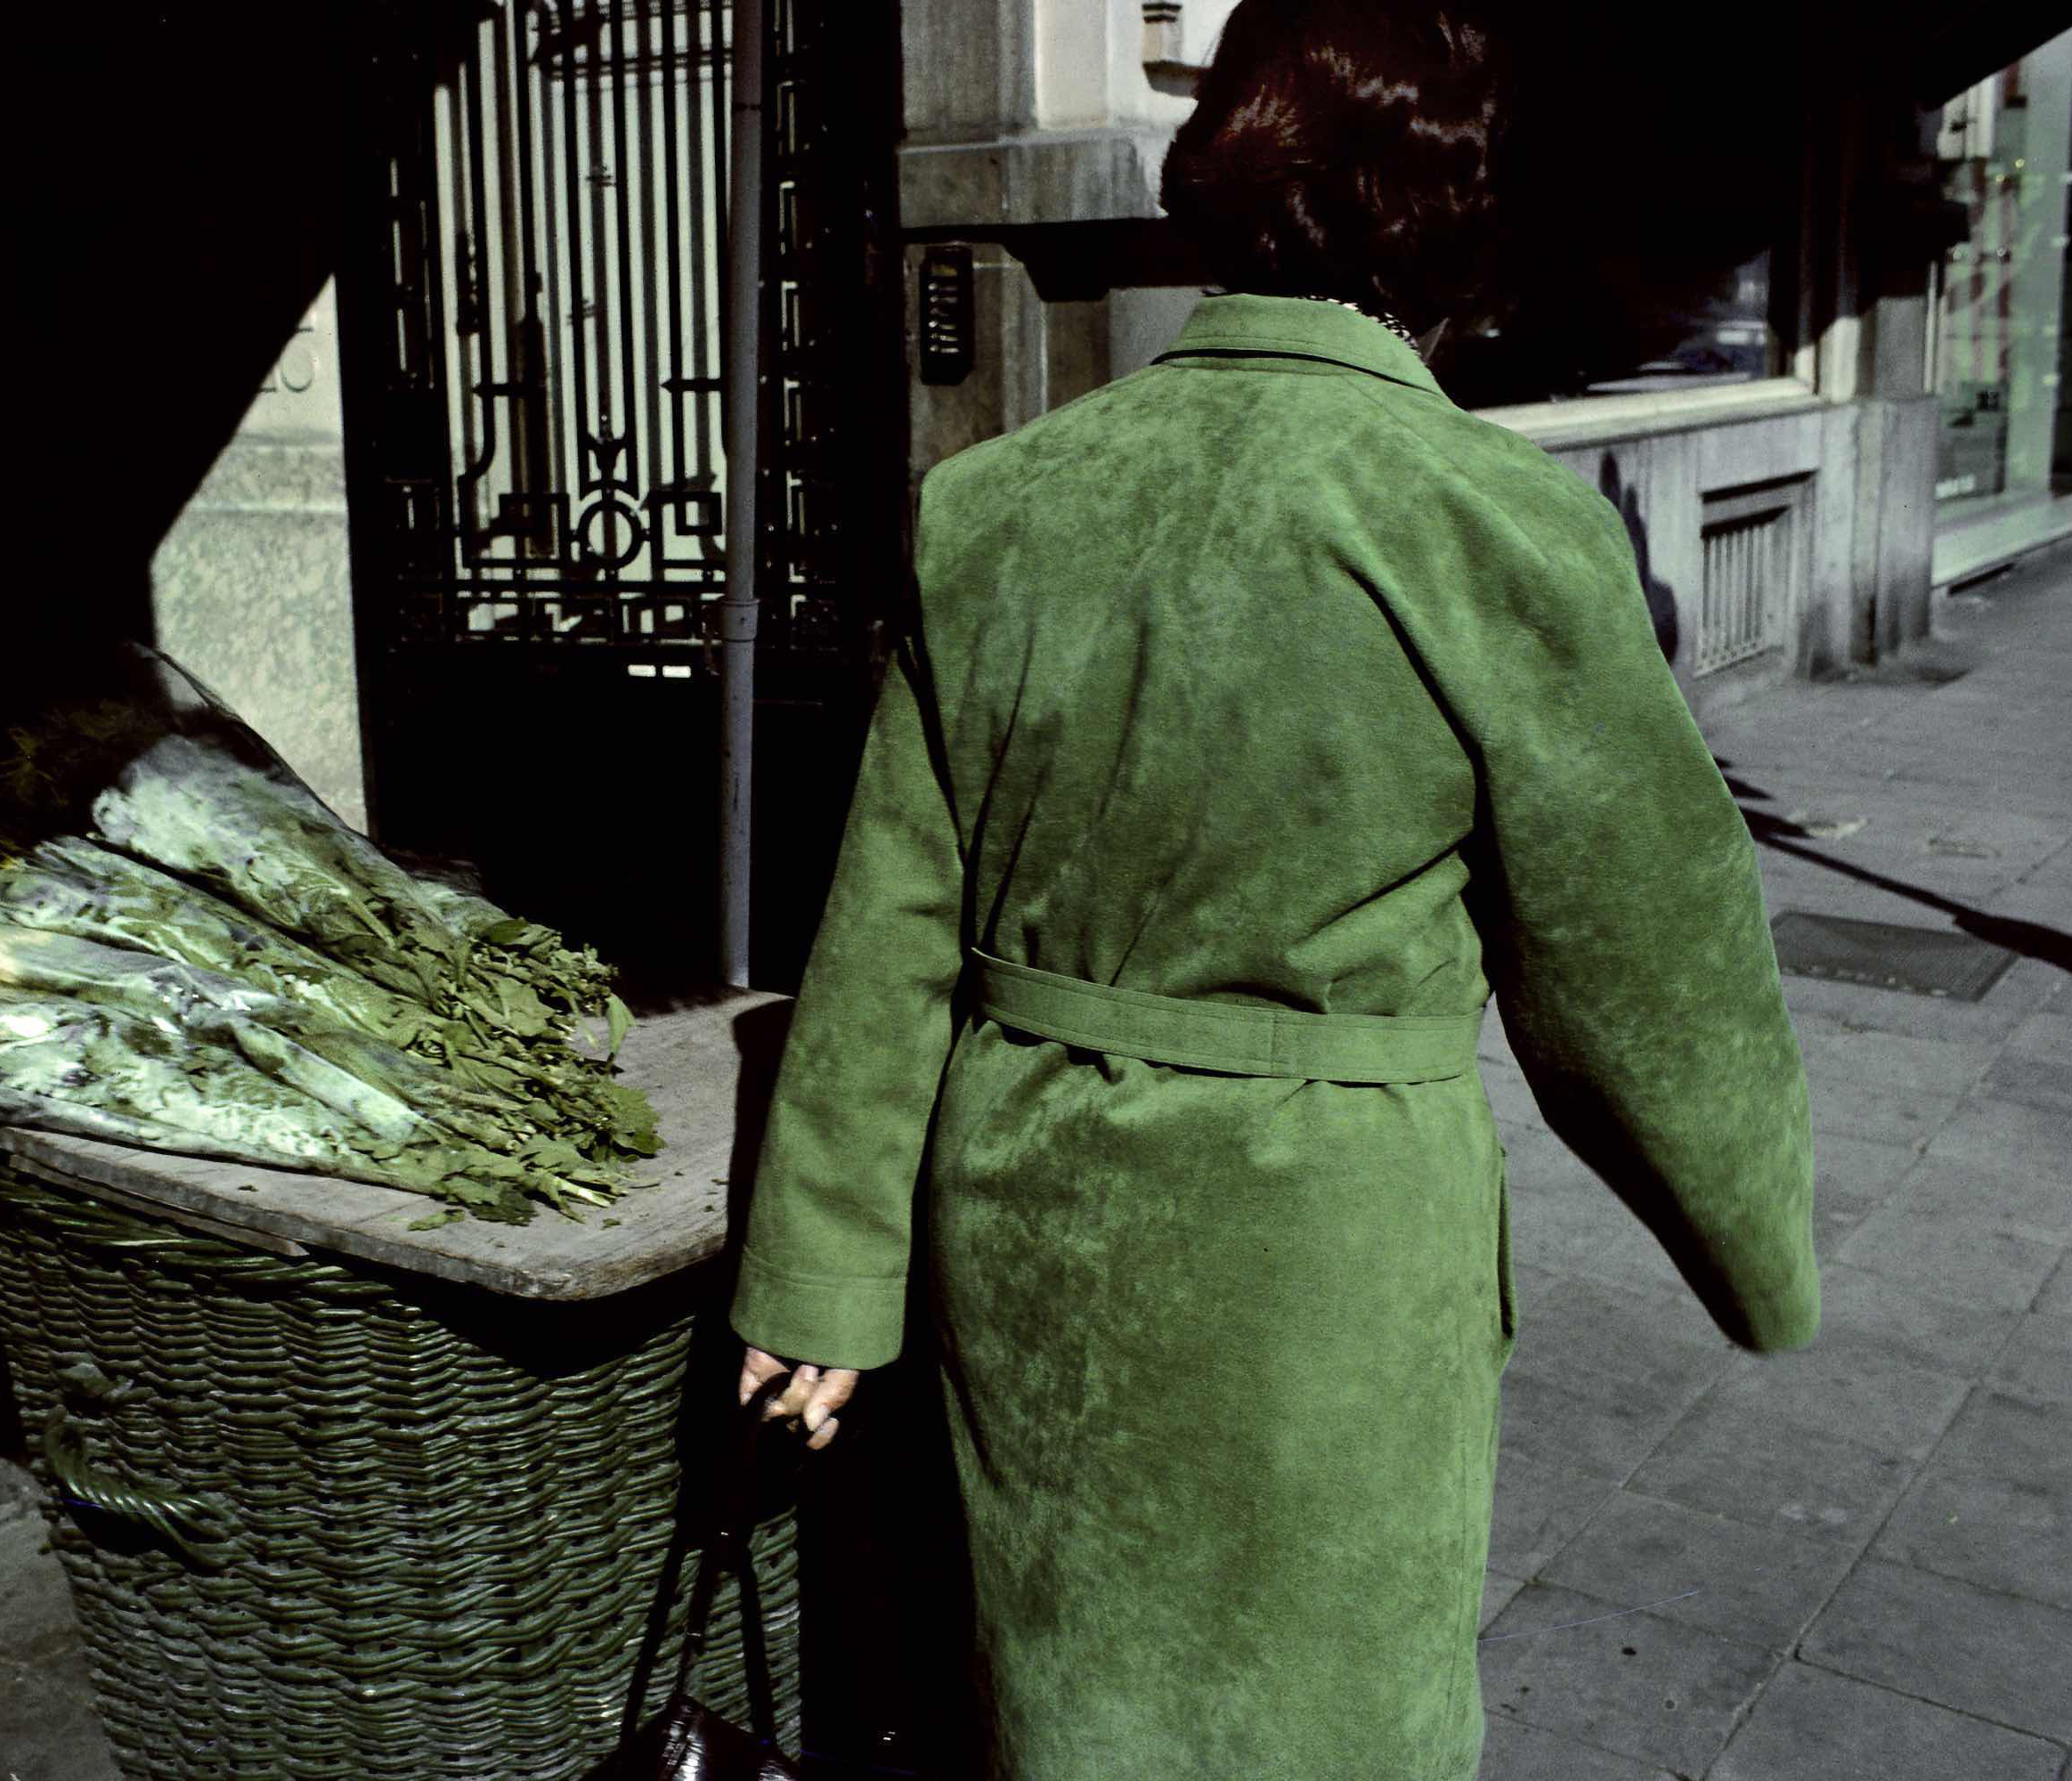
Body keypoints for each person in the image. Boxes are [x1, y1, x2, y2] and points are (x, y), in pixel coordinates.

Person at [727, 4, 1822, 1775]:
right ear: (1467, 212)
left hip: (1029, 1218)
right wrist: (1760, 1252)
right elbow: (1651, 960)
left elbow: (892, 931)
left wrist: (822, 1284)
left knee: (1063, 1702)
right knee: (1329, 1710)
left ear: (1220, 171)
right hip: (1325, 1257)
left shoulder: (999, 502)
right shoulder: (1490, 520)